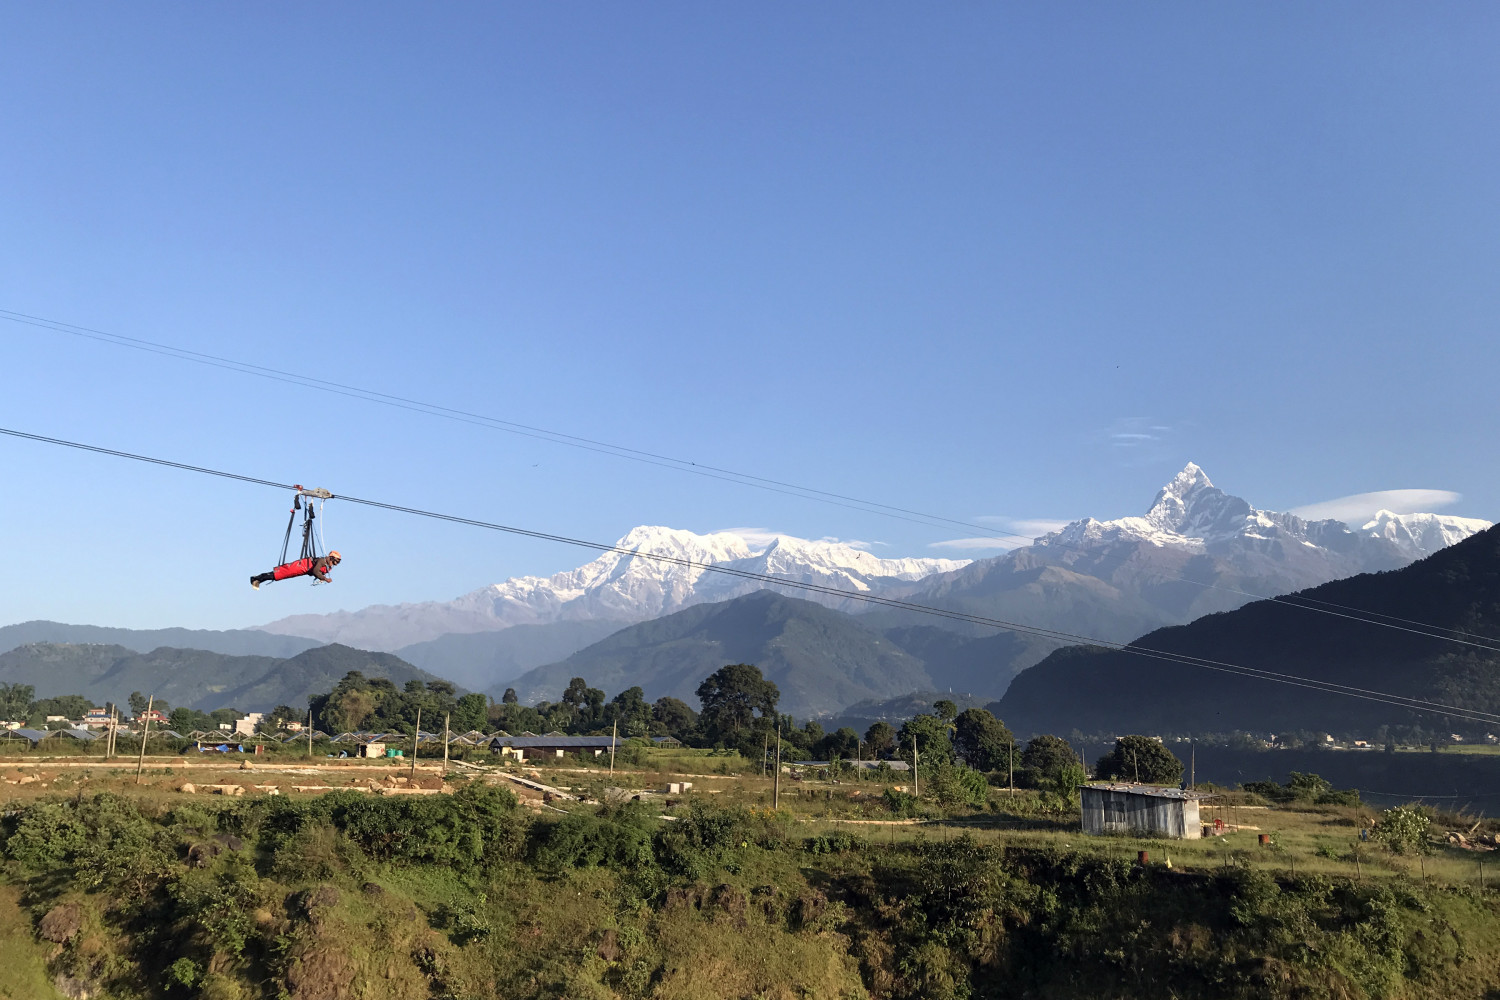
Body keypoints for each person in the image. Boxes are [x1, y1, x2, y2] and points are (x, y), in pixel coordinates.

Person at [251, 550, 341, 589]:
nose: (334, 564)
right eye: (335, 562)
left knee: (278, 575)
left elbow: (318, 572)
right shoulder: (322, 561)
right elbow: (315, 571)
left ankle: (258, 579)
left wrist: (322, 578)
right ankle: (256, 578)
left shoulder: (327, 566)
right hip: (299, 567)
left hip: (302, 570)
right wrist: (324, 579)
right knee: (278, 574)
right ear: (331, 558)